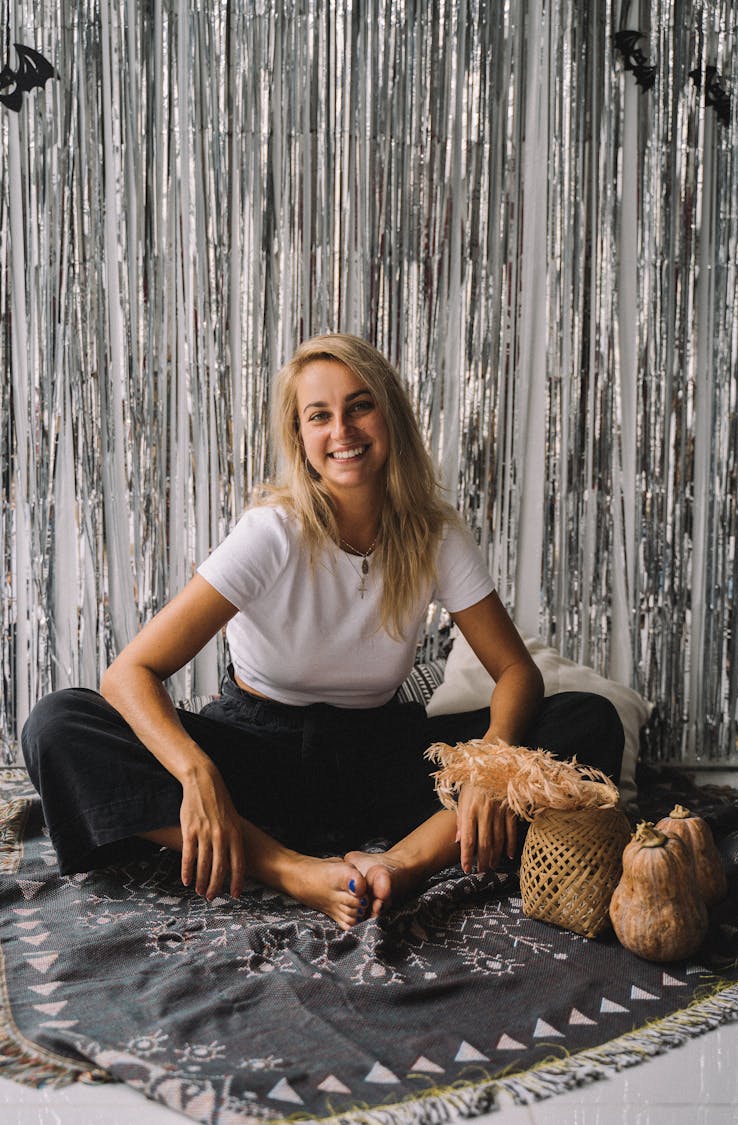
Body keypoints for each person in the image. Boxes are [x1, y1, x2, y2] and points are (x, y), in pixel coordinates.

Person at [22, 334, 624, 930]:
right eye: (320, 416)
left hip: (383, 758)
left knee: (586, 720)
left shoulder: (435, 535)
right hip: (258, 758)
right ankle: (289, 870)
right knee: (59, 724)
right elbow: (129, 672)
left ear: (390, 414)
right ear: (301, 436)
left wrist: (494, 767)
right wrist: (196, 774)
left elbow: (517, 671)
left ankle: (405, 864)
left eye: (360, 405)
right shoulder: (272, 532)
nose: (343, 430)